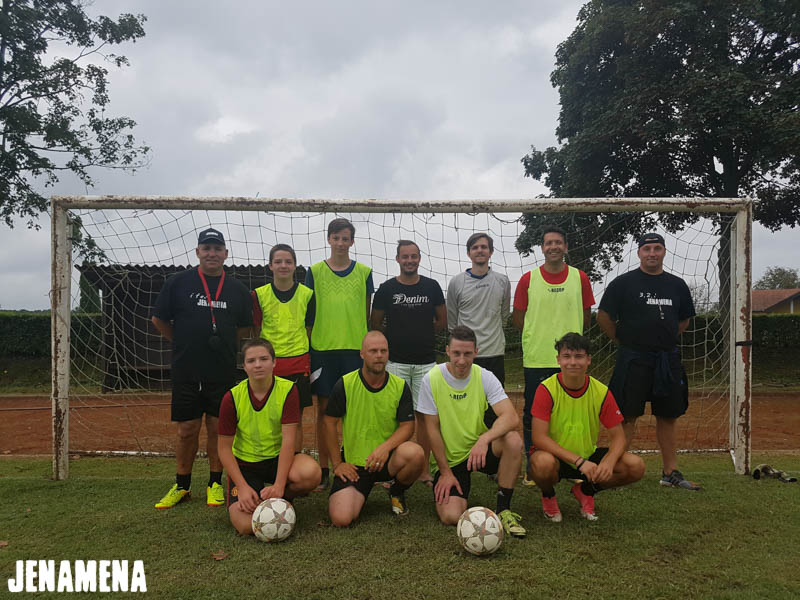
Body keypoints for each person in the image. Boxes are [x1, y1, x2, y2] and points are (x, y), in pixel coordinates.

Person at [151, 228, 252, 509]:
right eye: (206, 248)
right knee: (187, 429)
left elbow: (245, 328)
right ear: (197, 252)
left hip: (221, 370)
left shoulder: (237, 290)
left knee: (218, 428)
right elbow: (159, 320)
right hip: (186, 368)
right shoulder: (177, 283)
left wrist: (223, 345)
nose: (212, 253)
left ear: (226, 254)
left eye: (217, 249)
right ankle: (182, 485)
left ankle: (215, 483)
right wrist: (181, 341)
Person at [597, 232, 700, 490]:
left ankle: (670, 472)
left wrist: (662, 339)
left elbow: (684, 321)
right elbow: (604, 316)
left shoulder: (677, 285)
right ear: (639, 253)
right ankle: (619, 469)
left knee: (668, 415)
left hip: (667, 359)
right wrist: (623, 341)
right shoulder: (623, 283)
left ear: (664, 251)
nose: (652, 253)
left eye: (657, 248)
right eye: (647, 249)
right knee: (627, 415)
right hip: (633, 358)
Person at [417, 326, 526, 538]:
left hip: (479, 451)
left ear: (476, 352)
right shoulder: (431, 379)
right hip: (452, 460)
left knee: (513, 440)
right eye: (456, 353)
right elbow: (432, 430)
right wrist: (445, 472)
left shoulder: (485, 376)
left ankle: (503, 509)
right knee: (450, 516)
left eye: (467, 354)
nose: (461, 360)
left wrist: (484, 439)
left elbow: (511, 417)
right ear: (447, 351)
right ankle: (456, 487)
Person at [529, 333, 645, 522]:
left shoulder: (601, 391)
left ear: (589, 360)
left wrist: (608, 461)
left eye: (579, 356)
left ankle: (586, 491)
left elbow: (619, 437)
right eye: (567, 356)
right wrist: (578, 461)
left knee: (635, 466)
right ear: (558, 359)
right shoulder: (546, 389)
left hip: (588, 456)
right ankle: (548, 495)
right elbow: (539, 437)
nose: (573, 362)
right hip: (556, 458)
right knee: (542, 463)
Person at [512, 225, 595, 484]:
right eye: (548, 243)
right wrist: (538, 335)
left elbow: (586, 316)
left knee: (573, 414)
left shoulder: (580, 278)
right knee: (533, 414)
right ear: (542, 248)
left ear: (566, 247)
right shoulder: (528, 279)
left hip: (572, 360)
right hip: (538, 358)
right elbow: (518, 318)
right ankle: (533, 467)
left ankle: (573, 468)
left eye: (558, 242)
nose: (553, 247)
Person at [217, 338, 321, 535]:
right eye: (251, 360)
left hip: (277, 461)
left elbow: (289, 441)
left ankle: (281, 498)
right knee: (247, 526)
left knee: (311, 473)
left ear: (274, 362)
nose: (258, 365)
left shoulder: (288, 390)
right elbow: (223, 449)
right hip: (246, 466)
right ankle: (256, 496)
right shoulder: (231, 398)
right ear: (244, 366)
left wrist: (279, 485)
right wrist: (242, 487)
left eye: (264, 359)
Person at [325, 331, 425, 526]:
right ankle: (358, 490)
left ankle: (396, 490)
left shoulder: (400, 386)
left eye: (383, 351)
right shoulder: (345, 384)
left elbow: (407, 426)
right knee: (341, 519)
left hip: (388, 461)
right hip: (356, 466)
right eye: (373, 351)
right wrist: (337, 464)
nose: (379, 355)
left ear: (388, 353)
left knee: (415, 454)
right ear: (362, 354)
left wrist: (385, 448)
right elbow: (329, 422)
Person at [305, 218, 374, 490]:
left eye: (346, 238)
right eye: (336, 238)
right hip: (323, 350)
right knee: (324, 411)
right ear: (329, 239)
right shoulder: (315, 271)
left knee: (355, 411)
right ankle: (324, 469)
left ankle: (357, 466)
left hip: (354, 351)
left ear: (352, 241)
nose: (341, 243)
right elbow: (309, 314)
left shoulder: (364, 272)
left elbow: (366, 315)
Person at [370, 239, 446, 486]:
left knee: (425, 416)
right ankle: (390, 468)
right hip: (396, 362)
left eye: (414, 256)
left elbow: (442, 321)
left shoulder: (432, 286)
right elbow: (375, 323)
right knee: (394, 416)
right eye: (405, 256)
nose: (410, 261)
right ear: (398, 259)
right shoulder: (387, 289)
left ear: (419, 258)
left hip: (426, 362)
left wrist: (420, 334)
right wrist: (397, 338)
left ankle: (423, 469)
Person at [252, 244, 315, 453]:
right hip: (268, 365)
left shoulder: (307, 294)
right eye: (278, 261)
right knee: (267, 417)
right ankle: (267, 461)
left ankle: (293, 462)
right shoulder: (259, 295)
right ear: (270, 265)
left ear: (295, 265)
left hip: (297, 363)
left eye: (288, 261)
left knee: (295, 420)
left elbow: (309, 329)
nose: (283, 265)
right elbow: (256, 329)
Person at [446, 233, 510, 389]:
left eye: (484, 247)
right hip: (466, 355)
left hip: (494, 352)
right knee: (465, 397)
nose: (479, 250)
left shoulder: (502, 281)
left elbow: (504, 316)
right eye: (475, 247)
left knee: (493, 400)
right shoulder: (456, 282)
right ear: (468, 253)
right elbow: (452, 321)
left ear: (491, 252)